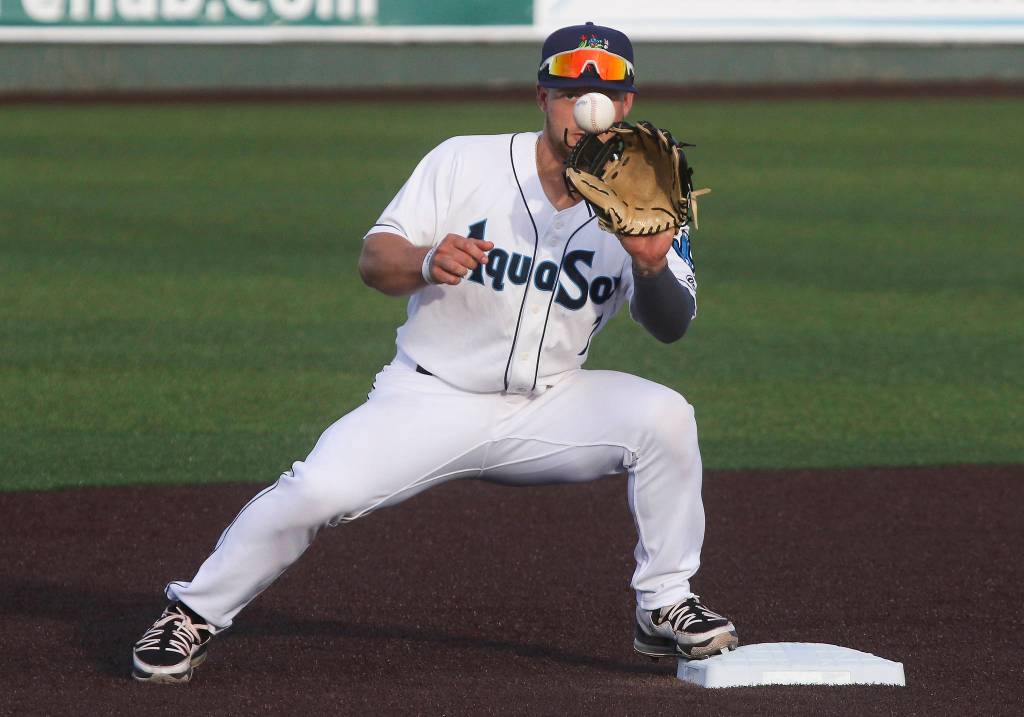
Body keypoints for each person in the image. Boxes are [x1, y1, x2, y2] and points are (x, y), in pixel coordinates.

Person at [130, 21, 739, 684]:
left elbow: (671, 324)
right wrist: (424, 260)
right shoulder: (463, 162)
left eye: (601, 95)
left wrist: (649, 263)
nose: (584, 110)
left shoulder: (645, 194)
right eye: (569, 94)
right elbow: (374, 258)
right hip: (428, 396)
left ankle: (664, 604)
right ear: (541, 97)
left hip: (550, 405)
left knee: (666, 416)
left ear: (625, 105)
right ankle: (192, 610)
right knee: (316, 490)